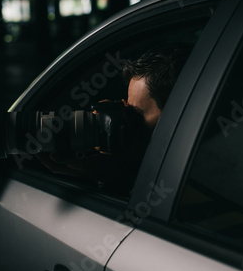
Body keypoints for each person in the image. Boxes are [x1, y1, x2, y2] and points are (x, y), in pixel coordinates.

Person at [37, 42, 193, 194]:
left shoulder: (192, 172)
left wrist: (117, 171)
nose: (128, 121)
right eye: (126, 109)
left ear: (178, 113)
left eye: (136, 113)